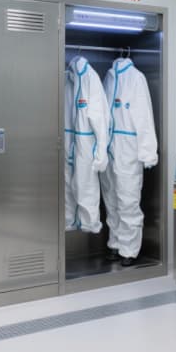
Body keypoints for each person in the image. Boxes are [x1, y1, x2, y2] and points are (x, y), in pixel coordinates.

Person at [100, 57, 158, 265]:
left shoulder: (135, 78)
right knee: (111, 199)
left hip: (128, 149)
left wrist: (148, 152)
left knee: (128, 200)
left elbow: (144, 117)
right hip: (110, 147)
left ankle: (129, 249)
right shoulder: (109, 77)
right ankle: (115, 243)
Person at [64, 56, 110, 233]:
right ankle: (69, 220)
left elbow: (99, 118)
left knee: (86, 184)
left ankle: (89, 223)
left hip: (85, 140)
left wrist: (100, 152)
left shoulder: (90, 77)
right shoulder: (66, 77)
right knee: (67, 182)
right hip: (68, 138)